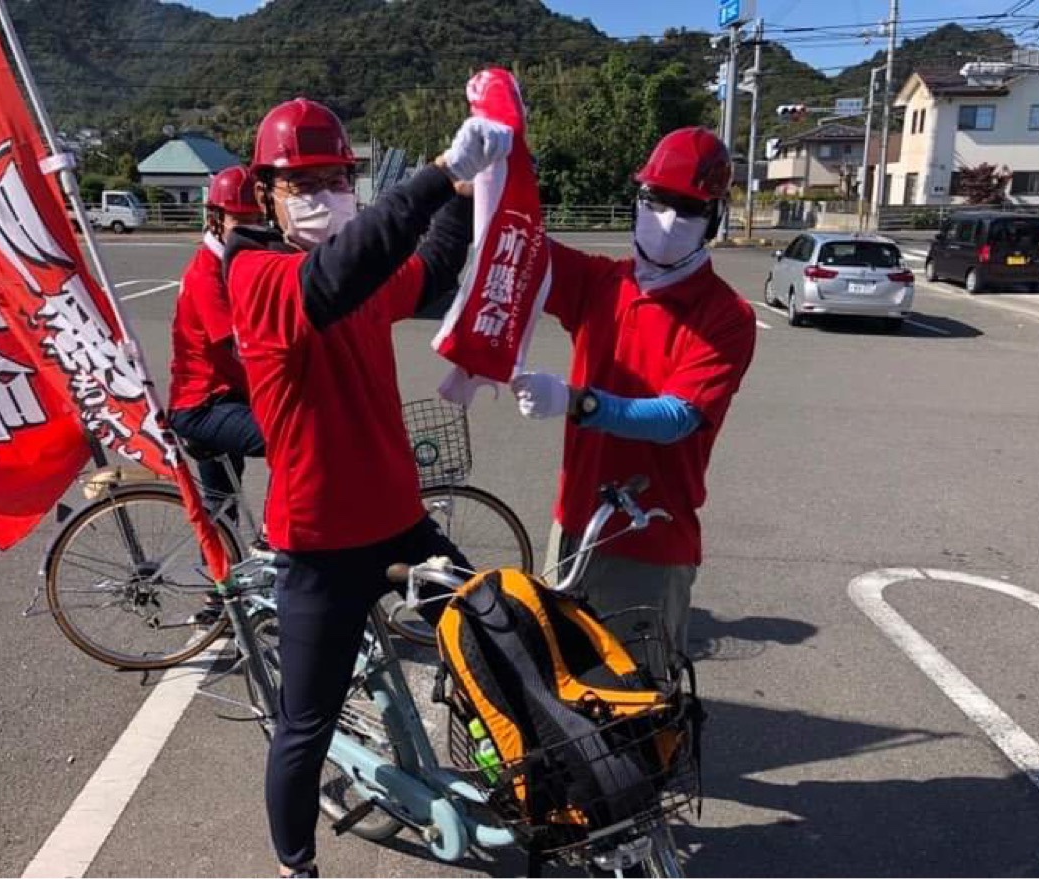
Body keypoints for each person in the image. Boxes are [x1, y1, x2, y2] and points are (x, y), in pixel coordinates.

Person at [223, 98, 511, 877]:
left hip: (400, 523)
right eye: (303, 181)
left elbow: (426, 266)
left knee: (492, 636)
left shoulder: (350, 280)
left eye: (338, 178)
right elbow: (344, 266)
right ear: (265, 194)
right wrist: (440, 173)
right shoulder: (259, 277)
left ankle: (504, 779)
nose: (325, 193)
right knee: (305, 724)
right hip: (318, 546)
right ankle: (295, 864)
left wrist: (465, 194)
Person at [510, 126, 757, 674]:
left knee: (639, 710)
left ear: (713, 218)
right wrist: (488, 178)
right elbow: (521, 250)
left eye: (688, 209)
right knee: (563, 695)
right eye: (656, 201)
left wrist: (576, 402)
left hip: (651, 541)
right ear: (637, 201)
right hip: (574, 522)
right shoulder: (604, 283)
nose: (667, 220)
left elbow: (676, 417)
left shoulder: (725, 315)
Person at [168, 165, 266, 518]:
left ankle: (226, 568)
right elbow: (239, 347)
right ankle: (282, 534)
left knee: (222, 509)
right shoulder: (206, 273)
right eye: (240, 220)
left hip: (229, 397)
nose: (251, 228)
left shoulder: (234, 262)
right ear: (215, 219)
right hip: (202, 405)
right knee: (292, 438)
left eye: (257, 218)